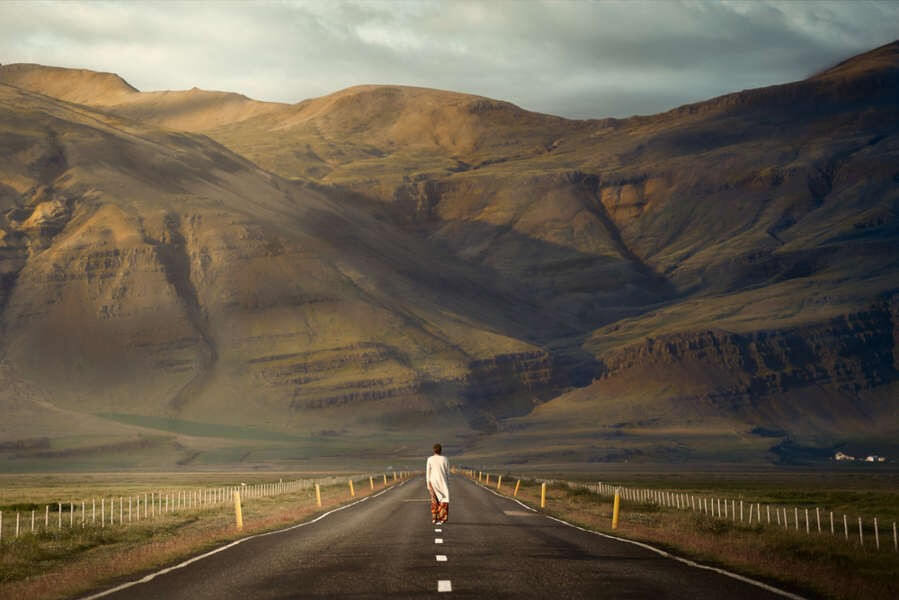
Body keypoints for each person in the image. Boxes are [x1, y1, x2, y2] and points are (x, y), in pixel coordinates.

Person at [426, 443, 450, 524]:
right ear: (441, 450)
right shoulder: (445, 459)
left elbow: (428, 473)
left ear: (434, 450)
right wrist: (448, 482)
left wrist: (428, 484)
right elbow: (447, 473)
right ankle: (442, 518)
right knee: (443, 500)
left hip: (433, 482)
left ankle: (434, 518)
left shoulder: (430, 459)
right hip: (443, 482)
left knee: (434, 500)